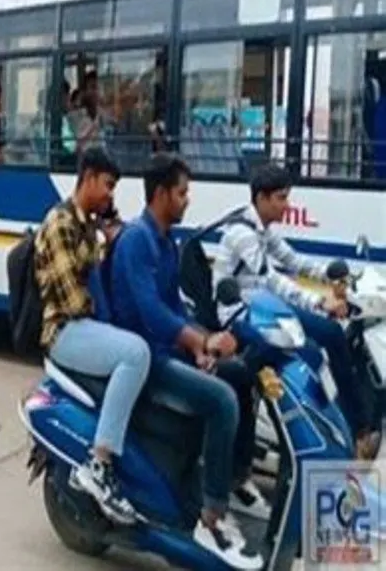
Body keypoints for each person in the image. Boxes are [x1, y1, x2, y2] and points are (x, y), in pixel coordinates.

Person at [110, 153, 263, 570]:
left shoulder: (166, 240)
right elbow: (149, 313)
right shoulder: (137, 240)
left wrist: (200, 345)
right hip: (147, 357)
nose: (187, 200)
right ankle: (211, 516)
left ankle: (230, 477)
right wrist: (199, 340)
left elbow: (174, 307)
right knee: (221, 400)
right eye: (182, 193)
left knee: (240, 373)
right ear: (161, 194)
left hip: (168, 347)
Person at [217, 162, 380, 458]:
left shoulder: (262, 229)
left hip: (266, 308)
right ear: (262, 198)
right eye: (281, 198)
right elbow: (273, 279)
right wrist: (319, 303)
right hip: (241, 315)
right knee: (311, 355)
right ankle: (321, 440)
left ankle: (358, 429)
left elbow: (293, 260)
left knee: (331, 333)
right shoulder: (242, 233)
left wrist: (331, 277)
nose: (286, 205)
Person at [34, 147, 151, 526]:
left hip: (83, 327)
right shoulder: (60, 224)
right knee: (135, 353)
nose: (110, 196)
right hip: (64, 331)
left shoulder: (87, 223)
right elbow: (75, 301)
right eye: (108, 186)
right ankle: (99, 465)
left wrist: (107, 236)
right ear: (87, 179)